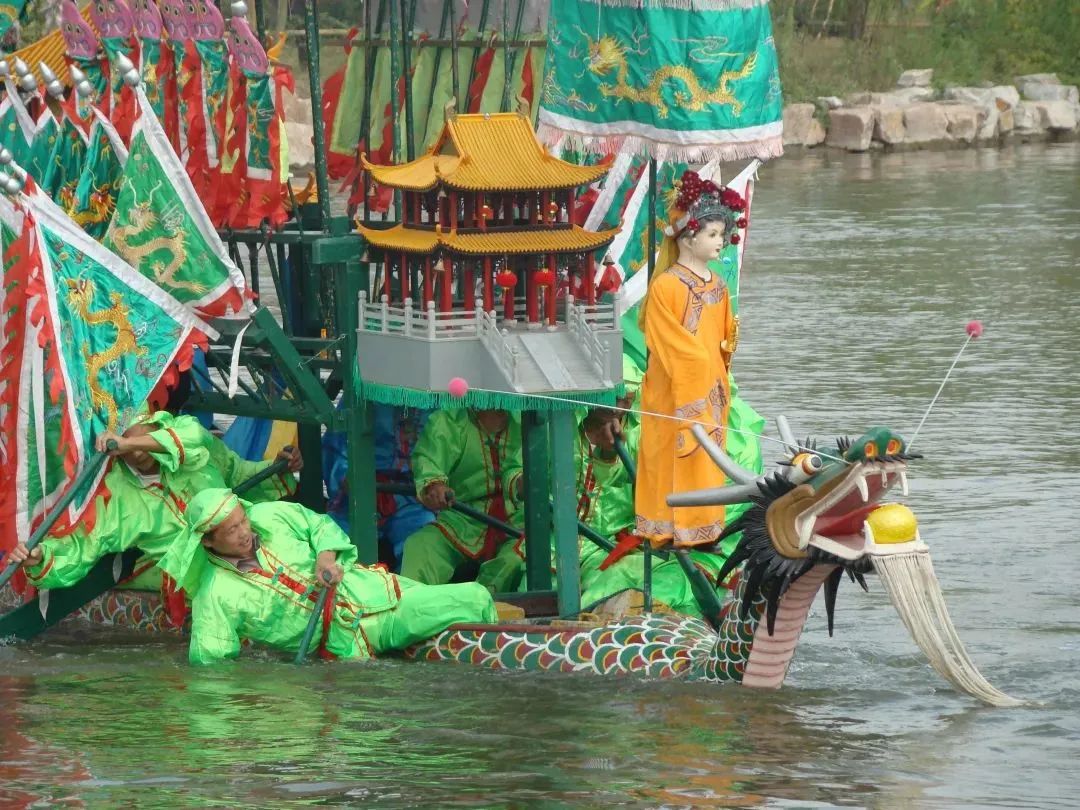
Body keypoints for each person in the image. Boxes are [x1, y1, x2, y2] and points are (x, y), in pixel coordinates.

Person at [7, 411, 302, 623]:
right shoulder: (116, 495)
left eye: (139, 434)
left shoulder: (189, 437)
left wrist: (276, 467)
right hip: (201, 576)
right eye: (122, 440)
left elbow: (235, 473)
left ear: (153, 421)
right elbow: (82, 547)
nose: (134, 451)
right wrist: (40, 558)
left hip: (248, 542)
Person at [161, 488, 497, 664]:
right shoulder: (215, 593)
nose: (244, 531)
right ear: (207, 541)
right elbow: (212, 667)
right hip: (352, 640)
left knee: (472, 597)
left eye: (242, 520)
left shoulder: (270, 515)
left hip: (372, 588)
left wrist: (325, 556)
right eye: (232, 530)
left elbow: (318, 524)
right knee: (475, 597)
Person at [635, 170, 743, 550]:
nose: (721, 242)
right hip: (671, 387)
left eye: (721, 234)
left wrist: (719, 367)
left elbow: (724, 338)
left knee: (707, 454)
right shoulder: (666, 286)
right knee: (669, 453)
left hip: (711, 385)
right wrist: (697, 370)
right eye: (713, 234)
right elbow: (669, 342)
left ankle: (703, 529)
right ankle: (664, 529)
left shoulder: (718, 284)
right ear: (687, 236)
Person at [400, 408, 525, 592]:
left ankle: (484, 608)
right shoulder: (450, 419)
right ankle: (411, 611)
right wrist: (435, 486)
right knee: (420, 545)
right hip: (462, 519)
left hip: (516, 521)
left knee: (515, 559)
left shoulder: (527, 417)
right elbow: (429, 461)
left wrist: (525, 484)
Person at [322, 403, 434, 569]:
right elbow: (336, 445)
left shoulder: (438, 401)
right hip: (357, 495)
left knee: (424, 542)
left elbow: (442, 459)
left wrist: (432, 484)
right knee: (331, 542)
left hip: (411, 498)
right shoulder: (359, 393)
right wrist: (346, 477)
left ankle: (407, 593)